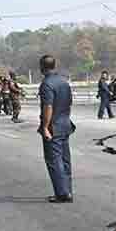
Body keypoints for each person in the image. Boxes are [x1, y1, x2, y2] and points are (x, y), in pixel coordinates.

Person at [38, 55, 75, 203]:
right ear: (54, 65)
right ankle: (68, 191)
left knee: (54, 160)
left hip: (53, 126)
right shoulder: (64, 82)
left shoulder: (46, 84)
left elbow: (48, 107)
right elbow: (69, 103)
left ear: (41, 67)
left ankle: (62, 193)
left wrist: (45, 127)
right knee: (65, 160)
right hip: (65, 124)